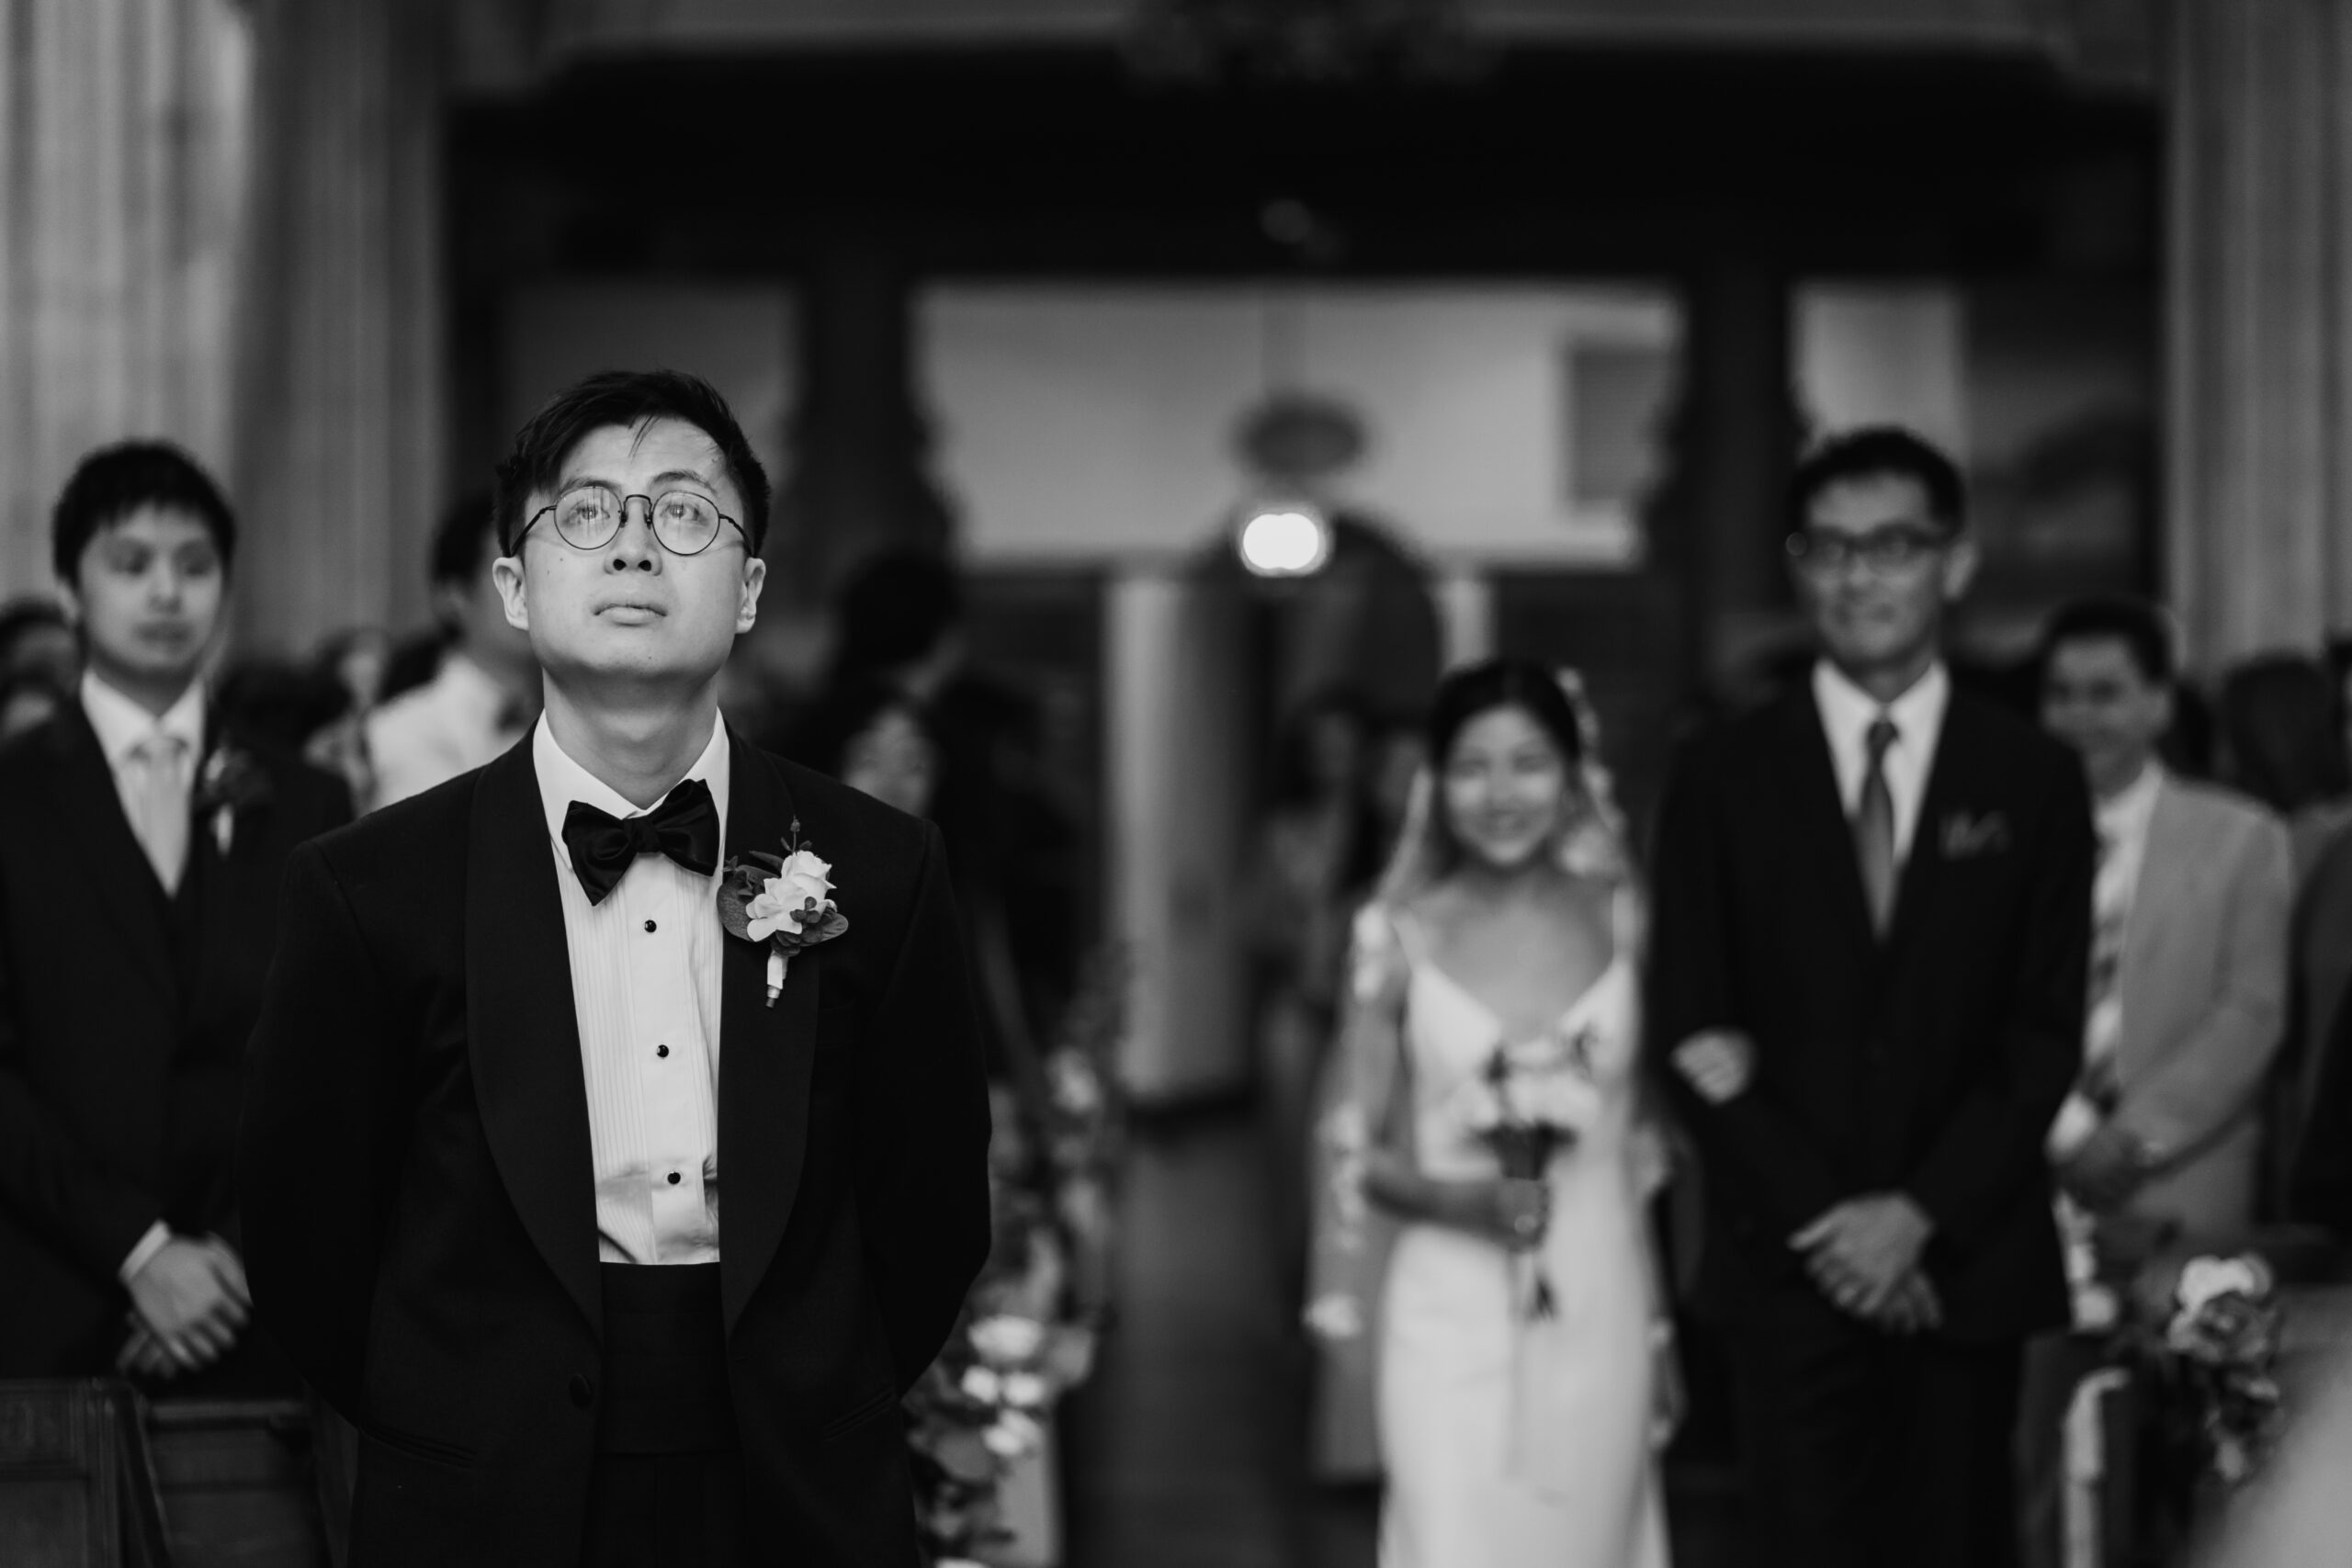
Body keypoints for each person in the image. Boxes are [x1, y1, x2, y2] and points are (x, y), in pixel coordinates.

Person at [237, 370, 992, 1566]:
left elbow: (933, 1204)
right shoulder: (370, 888)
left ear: (746, 589)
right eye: (587, 513)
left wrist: (814, 1377)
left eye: (684, 513)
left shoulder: (883, 870)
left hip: (794, 1475)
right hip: (483, 1484)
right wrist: (451, 1404)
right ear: (512, 587)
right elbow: (301, 1226)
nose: (636, 546)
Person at [1648, 427, 2095, 1568]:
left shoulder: (2030, 778)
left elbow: (2041, 1033)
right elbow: (1690, 1020)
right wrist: (1833, 1229)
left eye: (1893, 545)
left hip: (1965, 1261)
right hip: (1785, 1266)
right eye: (1831, 548)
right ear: (1800, 570)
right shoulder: (1722, 773)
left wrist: (1915, 1216)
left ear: (1954, 564)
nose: (1859, 576)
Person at [0, 441, 352, 1388]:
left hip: (260, 1312)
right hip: (51, 1307)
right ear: (71, 592)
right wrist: (140, 1250)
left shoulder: (307, 797)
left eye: (194, 568)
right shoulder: (13, 794)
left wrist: (230, 1259)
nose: (167, 594)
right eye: (132, 565)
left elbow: (340, 1059)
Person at [1330, 657, 1670, 1568]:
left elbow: (1648, 1137)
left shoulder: (1627, 919)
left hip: (1599, 1290)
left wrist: (1661, 1325)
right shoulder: (1397, 933)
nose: (1500, 792)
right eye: (1472, 767)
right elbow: (1355, 1150)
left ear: (1570, 775)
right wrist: (1464, 1205)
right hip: (1445, 1309)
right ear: (1435, 787)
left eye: (1527, 762)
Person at [2018, 594, 2291, 1568]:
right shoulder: (2000, 831)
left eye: (2106, 693)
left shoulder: (2240, 837)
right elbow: (1979, 1005)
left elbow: (2250, 1010)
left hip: (2186, 1191)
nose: (2081, 717)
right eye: (2059, 695)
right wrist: (2062, 1133)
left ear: (2157, 702)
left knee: (2193, 1469)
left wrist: (2132, 1139)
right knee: (2037, 1468)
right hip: (2031, 1189)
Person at [364, 491, 539, 808]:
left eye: (538, 569)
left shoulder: (576, 718)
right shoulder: (402, 731)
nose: (532, 593)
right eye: (508, 577)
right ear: (454, 598)